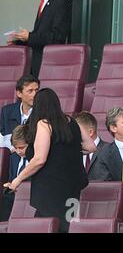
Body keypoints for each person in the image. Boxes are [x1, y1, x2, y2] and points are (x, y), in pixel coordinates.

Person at [3, 88, 96, 233]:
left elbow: (40, 159)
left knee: (47, 227)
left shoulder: (44, 124)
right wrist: (68, 152)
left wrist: (17, 180)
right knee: (70, 226)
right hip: (73, 186)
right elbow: (91, 147)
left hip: (51, 188)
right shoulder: (71, 121)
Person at [7, 0, 70, 77]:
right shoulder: (46, 0)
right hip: (37, 66)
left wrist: (30, 37)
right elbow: (41, 35)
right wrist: (21, 41)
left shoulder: (61, 2)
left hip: (48, 68)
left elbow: (58, 37)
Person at [0, 125, 29, 221]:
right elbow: (11, 178)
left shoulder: (36, 159)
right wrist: (9, 184)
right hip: (13, 196)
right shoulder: (13, 158)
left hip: (29, 197)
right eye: (15, 148)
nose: (18, 151)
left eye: (21, 147)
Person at [0, 75, 40, 146]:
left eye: (36, 90)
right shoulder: (7, 111)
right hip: (10, 155)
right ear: (19, 93)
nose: (35, 94)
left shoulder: (43, 112)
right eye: (30, 91)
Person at [74, 111, 109, 180]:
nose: (74, 134)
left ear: (90, 132)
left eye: (77, 131)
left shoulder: (109, 150)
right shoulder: (74, 152)